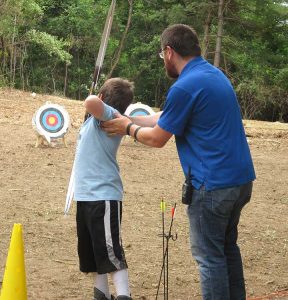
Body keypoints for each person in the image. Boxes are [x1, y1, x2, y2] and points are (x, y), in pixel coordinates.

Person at [101, 24, 256, 300]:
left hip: (212, 187)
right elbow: (166, 117)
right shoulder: (212, 75)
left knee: (210, 259)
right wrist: (129, 119)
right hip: (240, 182)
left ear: (170, 52)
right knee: (227, 249)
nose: (164, 61)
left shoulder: (184, 86)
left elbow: (158, 138)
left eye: (162, 55)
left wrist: (127, 129)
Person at [74, 78, 134, 300]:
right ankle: (101, 295)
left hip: (103, 197)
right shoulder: (96, 121)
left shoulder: (110, 117)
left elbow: (90, 102)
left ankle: (124, 295)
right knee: (93, 253)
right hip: (86, 197)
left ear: (104, 98)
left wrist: (97, 99)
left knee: (111, 252)